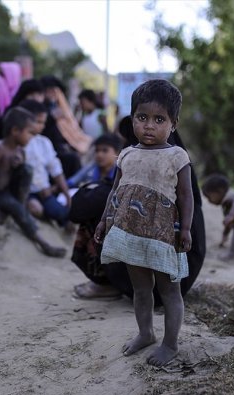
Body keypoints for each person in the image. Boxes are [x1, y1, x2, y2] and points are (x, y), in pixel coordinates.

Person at [95, 79, 193, 367]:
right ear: (132, 118)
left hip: (164, 236)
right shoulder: (126, 154)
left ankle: (171, 344)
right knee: (140, 289)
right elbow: (115, 192)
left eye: (159, 119)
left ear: (173, 124)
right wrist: (104, 222)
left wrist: (186, 228)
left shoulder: (177, 156)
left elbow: (186, 196)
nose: (149, 125)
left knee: (169, 291)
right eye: (142, 118)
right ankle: (145, 333)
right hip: (130, 233)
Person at [0, 107, 66, 258]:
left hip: (9, 192)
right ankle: (43, 243)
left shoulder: (19, 151)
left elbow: (20, 177)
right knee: (15, 208)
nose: (32, 137)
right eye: (30, 133)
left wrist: (19, 166)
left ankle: (21, 206)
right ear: (15, 131)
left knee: (27, 169)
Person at [18, 99, 72, 229]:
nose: (42, 126)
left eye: (43, 122)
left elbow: (55, 169)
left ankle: (59, 220)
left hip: (45, 192)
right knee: (36, 209)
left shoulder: (44, 142)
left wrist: (66, 193)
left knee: (62, 213)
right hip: (26, 194)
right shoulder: (19, 144)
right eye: (38, 122)